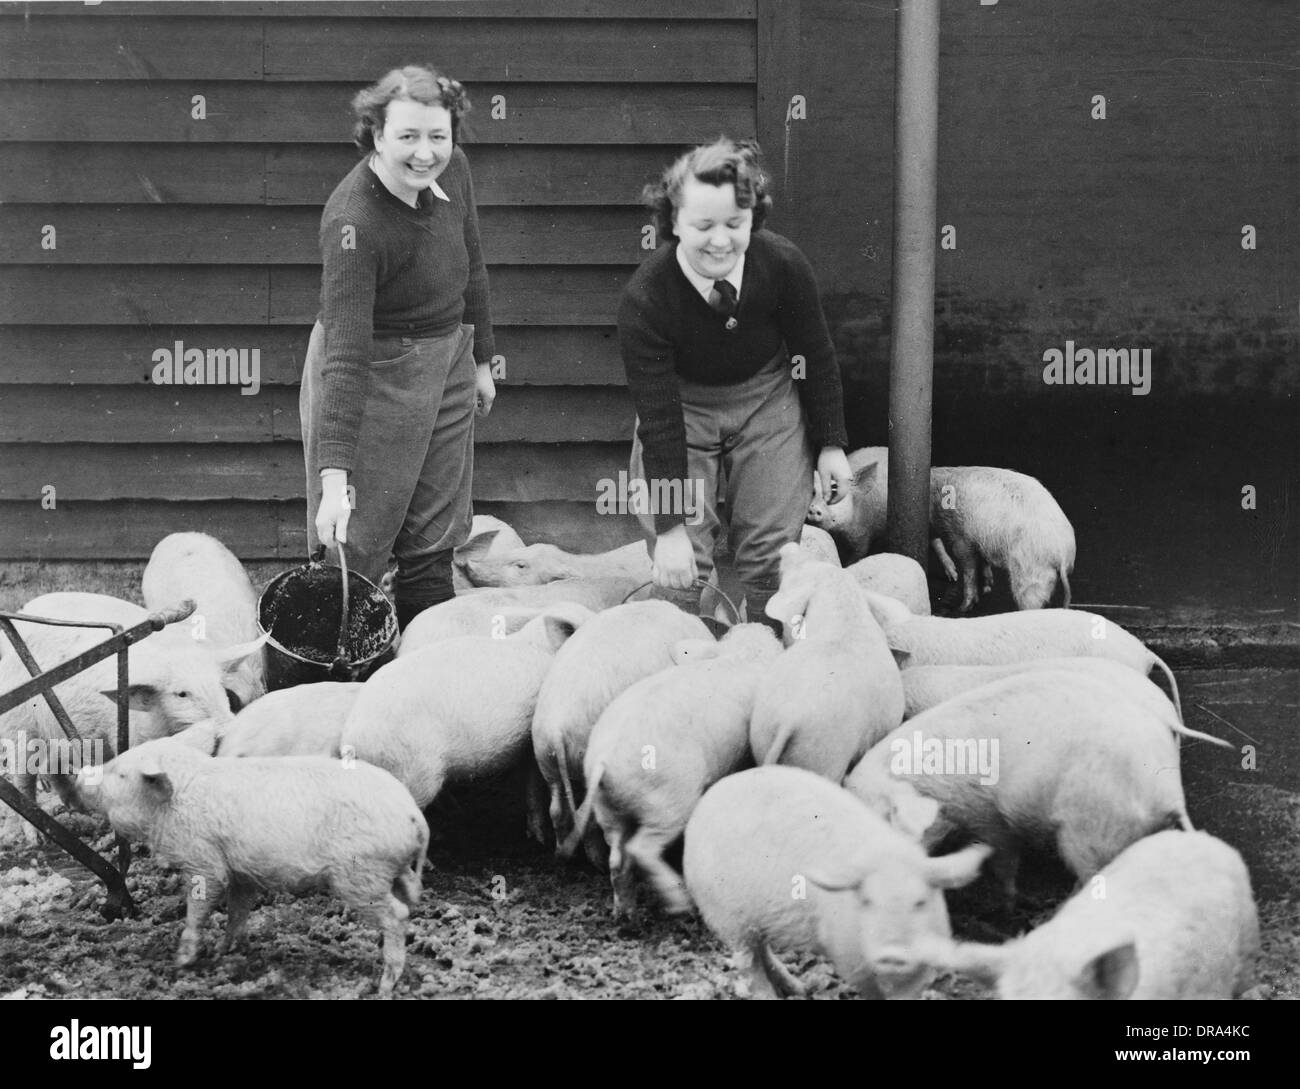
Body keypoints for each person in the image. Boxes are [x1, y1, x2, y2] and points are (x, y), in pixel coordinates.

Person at [618, 137, 853, 626]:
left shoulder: (782, 264)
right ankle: (682, 652)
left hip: (766, 399)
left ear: (754, 219)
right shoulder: (648, 297)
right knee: (682, 558)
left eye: (735, 223)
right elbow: (659, 422)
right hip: (682, 408)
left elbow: (816, 354)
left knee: (772, 545)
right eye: (703, 225)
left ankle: (766, 651)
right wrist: (670, 529)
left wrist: (831, 445)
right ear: (672, 222)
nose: (720, 240)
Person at [300, 64, 497, 631]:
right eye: (407, 136)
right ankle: (334, 676)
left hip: (449, 362)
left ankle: (423, 664)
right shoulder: (353, 222)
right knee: (355, 541)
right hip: (373, 372)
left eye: (437, 135)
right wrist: (333, 482)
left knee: (435, 531)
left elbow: (473, 263)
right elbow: (344, 354)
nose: (424, 153)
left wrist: (482, 359)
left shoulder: (453, 170)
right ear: (376, 135)